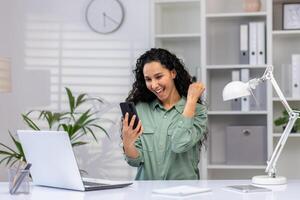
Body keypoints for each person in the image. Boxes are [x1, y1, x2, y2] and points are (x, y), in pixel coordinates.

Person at [121, 48, 207, 180]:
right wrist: (127, 143)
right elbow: (135, 161)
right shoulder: (140, 110)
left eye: (158, 77)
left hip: (183, 193)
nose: (154, 85)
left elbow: (180, 144)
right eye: (148, 79)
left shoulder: (198, 111)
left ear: (173, 73)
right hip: (146, 194)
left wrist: (190, 102)